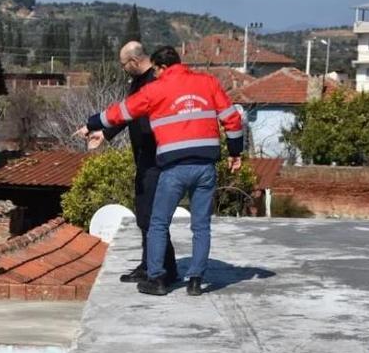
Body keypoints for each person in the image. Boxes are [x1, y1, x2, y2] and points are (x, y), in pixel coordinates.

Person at [77, 45, 244, 297]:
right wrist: (235, 152)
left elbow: (121, 112)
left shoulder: (156, 89)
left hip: (174, 168)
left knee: (157, 223)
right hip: (206, 167)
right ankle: (196, 280)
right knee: (201, 226)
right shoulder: (208, 82)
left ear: (162, 67)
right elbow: (232, 118)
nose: (154, 74)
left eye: (155, 70)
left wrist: (92, 122)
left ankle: (156, 279)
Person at [96, 42, 177, 285]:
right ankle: (149, 263)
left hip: (156, 157)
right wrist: (105, 133)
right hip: (142, 158)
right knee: (144, 215)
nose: (123, 70)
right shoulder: (137, 84)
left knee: (153, 216)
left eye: (123, 65)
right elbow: (127, 112)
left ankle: (166, 268)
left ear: (133, 61)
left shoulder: (154, 81)